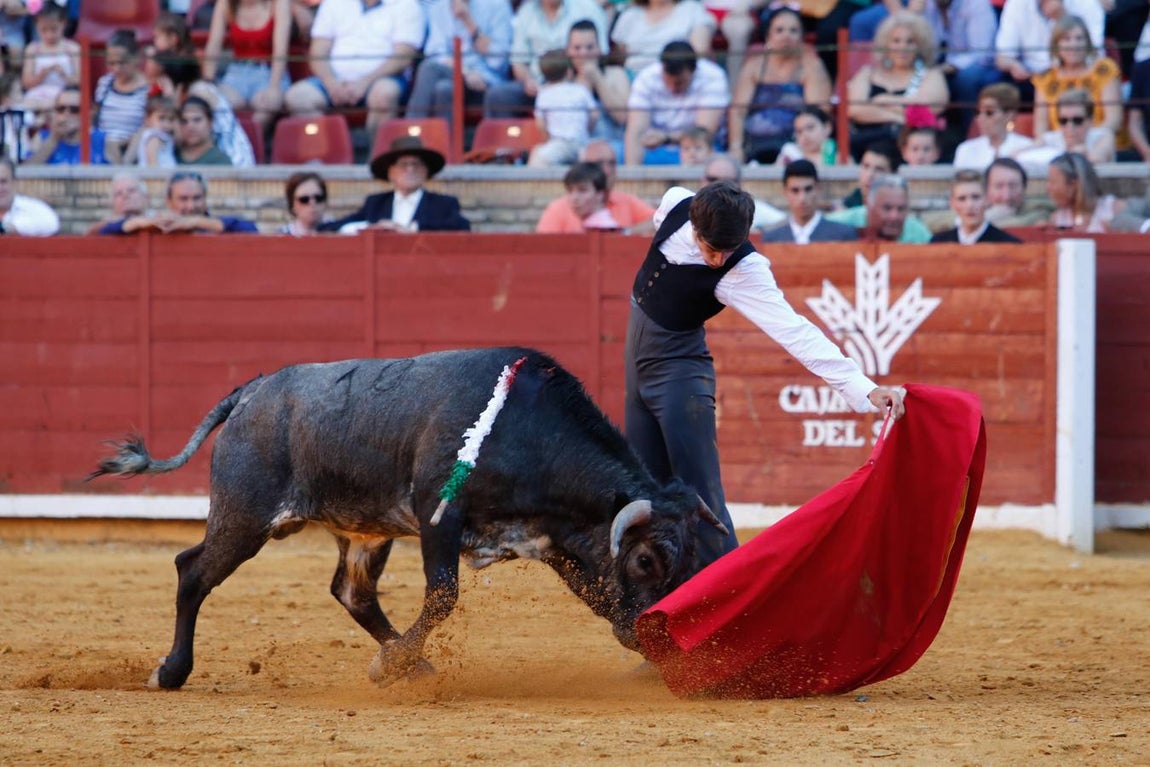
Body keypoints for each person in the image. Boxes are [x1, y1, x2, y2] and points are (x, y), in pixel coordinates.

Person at [624, 179, 906, 567]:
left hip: (679, 377)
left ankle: (729, 597)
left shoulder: (745, 270)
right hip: (637, 372)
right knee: (643, 486)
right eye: (712, 249)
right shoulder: (675, 202)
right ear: (694, 224)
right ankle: (657, 594)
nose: (719, 260)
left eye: (728, 249)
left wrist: (863, 387)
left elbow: (795, 332)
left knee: (699, 494)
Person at [283, 0, 425, 138]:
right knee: (298, 97)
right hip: (334, 80)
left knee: (385, 94)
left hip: (382, 78)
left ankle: (377, 158)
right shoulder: (333, 3)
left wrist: (364, 83)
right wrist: (332, 84)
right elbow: (318, 52)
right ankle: (324, 156)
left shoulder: (406, 5)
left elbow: (403, 57)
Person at [728, 6, 832, 165]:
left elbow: (817, 113)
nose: (786, 36)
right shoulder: (754, 66)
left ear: (802, 37)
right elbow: (737, 112)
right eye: (779, 30)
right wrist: (736, 148)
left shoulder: (812, 66)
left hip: (795, 145)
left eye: (793, 31)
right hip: (753, 145)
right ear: (768, 36)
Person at [846, 11, 949, 162]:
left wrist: (881, 100)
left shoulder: (930, 75)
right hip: (864, 144)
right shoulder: (867, 73)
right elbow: (854, 109)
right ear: (886, 44)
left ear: (920, 45)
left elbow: (928, 109)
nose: (903, 47)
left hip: (911, 151)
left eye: (910, 41)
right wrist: (898, 117)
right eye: (896, 41)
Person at [481, 0, 607, 118]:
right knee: (498, 96)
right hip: (537, 87)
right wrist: (528, 80)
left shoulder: (587, 8)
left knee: (577, 97)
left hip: (574, 82)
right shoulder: (526, 12)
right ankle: (506, 141)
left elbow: (601, 54)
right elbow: (518, 61)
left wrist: (569, 82)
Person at [321, 136, 470, 234]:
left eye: (416, 164)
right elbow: (335, 227)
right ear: (391, 172)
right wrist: (371, 228)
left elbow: (462, 227)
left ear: (426, 171)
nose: (410, 170)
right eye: (403, 165)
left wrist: (411, 229)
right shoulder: (376, 203)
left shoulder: (443, 203)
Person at [407, 0, 513, 127]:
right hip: (456, 73)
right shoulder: (438, 8)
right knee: (443, 87)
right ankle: (444, 145)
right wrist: (465, 71)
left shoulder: (497, 5)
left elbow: (499, 61)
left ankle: (411, 132)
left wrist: (468, 20)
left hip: (486, 80)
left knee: (430, 71)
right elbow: (436, 54)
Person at [623, 41, 730, 166]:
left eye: (679, 83)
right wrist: (632, 173)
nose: (672, 88)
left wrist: (666, 138)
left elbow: (702, 134)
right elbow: (636, 131)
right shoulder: (646, 78)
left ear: (693, 70)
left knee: (704, 155)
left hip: (695, 149)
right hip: (655, 150)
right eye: (668, 81)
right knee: (614, 152)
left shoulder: (713, 77)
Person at [202, 0, 293, 134]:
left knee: (267, 106)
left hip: (269, 72)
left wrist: (274, 87)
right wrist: (208, 82)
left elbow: (280, 51)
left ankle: (246, 146)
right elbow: (213, 45)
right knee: (218, 104)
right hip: (237, 72)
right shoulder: (226, 4)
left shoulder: (279, 3)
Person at [994, 0, 1104, 106]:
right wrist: (1014, 66)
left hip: (1075, 75)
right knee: (1000, 86)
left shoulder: (1088, 3)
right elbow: (1003, 56)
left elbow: (1094, 54)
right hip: (1031, 78)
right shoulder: (1016, 3)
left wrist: (1063, 18)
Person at [536, 139, 657, 235]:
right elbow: (542, 250)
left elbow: (660, 221)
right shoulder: (558, 210)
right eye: (599, 164)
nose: (607, 170)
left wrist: (627, 233)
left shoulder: (627, 201)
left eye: (612, 163)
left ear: (599, 195)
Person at [1031, 14, 1122, 140]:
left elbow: (1114, 121)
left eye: (1079, 38)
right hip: (1060, 146)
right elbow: (1040, 127)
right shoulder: (1045, 78)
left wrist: (1084, 140)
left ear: (1087, 42)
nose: (1074, 44)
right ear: (1056, 45)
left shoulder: (1104, 70)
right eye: (1066, 39)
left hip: (1099, 142)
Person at [922, 0, 1003, 136]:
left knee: (966, 78)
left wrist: (951, 66)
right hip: (942, 64)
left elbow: (982, 54)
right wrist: (916, 12)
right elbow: (920, 45)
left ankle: (971, 132)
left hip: (982, 65)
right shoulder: (927, 5)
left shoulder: (976, 4)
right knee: (918, 73)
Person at [99, 169, 258, 235]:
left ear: (205, 197)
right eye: (183, 199)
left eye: (196, 198)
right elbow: (103, 234)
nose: (191, 206)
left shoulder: (213, 225)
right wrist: (137, 223)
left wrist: (196, 222)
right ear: (169, 201)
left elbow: (251, 230)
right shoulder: (160, 225)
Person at [566, 19, 630, 153]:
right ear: (568, 51)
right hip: (577, 149)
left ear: (599, 48)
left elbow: (623, 117)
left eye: (590, 47)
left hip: (615, 147)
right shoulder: (564, 81)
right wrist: (584, 86)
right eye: (577, 48)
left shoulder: (617, 73)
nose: (584, 53)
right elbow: (571, 129)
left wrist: (598, 79)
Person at [527, 49, 598, 167]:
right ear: (569, 72)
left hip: (558, 144)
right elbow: (594, 115)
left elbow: (541, 125)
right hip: (583, 144)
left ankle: (532, 186)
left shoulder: (544, 94)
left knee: (537, 156)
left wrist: (549, 140)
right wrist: (586, 130)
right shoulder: (581, 89)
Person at [762, 159, 858, 243]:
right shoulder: (771, 238)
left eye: (808, 189)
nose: (802, 198)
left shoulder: (843, 235)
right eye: (795, 190)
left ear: (818, 189)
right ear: (785, 192)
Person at [611, 0, 715, 77]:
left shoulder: (693, 9)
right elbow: (618, 60)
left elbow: (699, 55)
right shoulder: (629, 15)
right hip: (634, 80)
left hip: (677, 78)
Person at [92, 29, 149, 164]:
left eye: (122, 63)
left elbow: (147, 125)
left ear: (136, 58)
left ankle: (123, 169)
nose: (116, 69)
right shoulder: (104, 83)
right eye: (111, 63)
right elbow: (95, 117)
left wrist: (121, 143)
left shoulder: (147, 89)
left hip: (131, 149)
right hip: (104, 145)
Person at [1018, 88, 1116, 166]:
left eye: (1077, 120)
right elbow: (1019, 155)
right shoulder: (1051, 138)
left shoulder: (1103, 135)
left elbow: (1098, 158)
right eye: (1063, 121)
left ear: (1090, 121)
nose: (1070, 126)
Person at [952, 82, 1035, 170]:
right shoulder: (966, 150)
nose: (981, 118)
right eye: (978, 112)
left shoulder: (1027, 148)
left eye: (989, 113)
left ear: (1009, 115)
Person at [829, 172, 932, 242]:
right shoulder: (837, 225)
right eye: (887, 208)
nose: (894, 216)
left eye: (901, 209)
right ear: (868, 205)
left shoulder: (919, 233)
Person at [930, 169, 1022, 243]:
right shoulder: (938, 243)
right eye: (962, 199)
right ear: (952, 203)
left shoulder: (1008, 244)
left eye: (976, 197)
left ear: (987, 199)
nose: (970, 205)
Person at [23, 85, 108, 164]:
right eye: (61, 109)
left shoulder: (104, 141)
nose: (66, 114)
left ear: (90, 111)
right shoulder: (42, 138)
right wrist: (54, 138)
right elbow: (26, 173)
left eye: (74, 110)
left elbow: (118, 175)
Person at [19, 3, 78, 115]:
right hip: (38, 95)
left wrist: (64, 75)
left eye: (54, 29)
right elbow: (26, 83)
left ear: (63, 24)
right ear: (37, 26)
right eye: (44, 30)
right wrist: (41, 75)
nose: (49, 35)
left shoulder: (72, 48)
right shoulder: (32, 49)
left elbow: (80, 80)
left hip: (65, 94)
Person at [701, 153, 785, 229]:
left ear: (739, 184)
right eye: (712, 180)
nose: (718, 187)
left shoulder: (752, 210)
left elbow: (784, 222)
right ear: (703, 181)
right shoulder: (691, 208)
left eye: (726, 182)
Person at [535, 161, 620, 232]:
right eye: (570, 191)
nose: (574, 198)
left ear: (600, 194)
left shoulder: (605, 229)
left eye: (582, 190)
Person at [1046, 151, 1118, 232]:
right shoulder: (1057, 220)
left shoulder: (1113, 209)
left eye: (1053, 182)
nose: (1048, 188)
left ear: (1074, 184)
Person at [983, 157, 1055, 228]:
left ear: (1024, 188)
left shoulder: (1040, 210)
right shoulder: (976, 210)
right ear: (986, 190)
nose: (1006, 196)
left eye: (1013, 186)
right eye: (999, 186)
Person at [0, 157, 60, 236]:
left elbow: (52, 223)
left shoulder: (30, 206)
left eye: (3, 182)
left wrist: (7, 228)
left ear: (14, 182)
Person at [839, 138, 901, 209]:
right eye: (866, 166)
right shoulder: (845, 211)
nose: (870, 175)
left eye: (879, 169)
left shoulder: (899, 213)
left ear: (893, 175)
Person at [175, 96, 233, 165]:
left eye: (197, 120)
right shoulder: (170, 155)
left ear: (210, 122)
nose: (190, 127)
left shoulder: (221, 161)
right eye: (184, 121)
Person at [129, 94, 178, 168]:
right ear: (148, 119)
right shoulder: (154, 138)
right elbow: (152, 164)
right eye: (161, 118)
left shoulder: (163, 136)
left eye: (170, 119)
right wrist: (157, 178)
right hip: (157, 177)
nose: (166, 124)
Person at [280, 171, 331, 235]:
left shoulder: (339, 232)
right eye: (304, 199)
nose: (312, 203)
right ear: (292, 204)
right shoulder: (282, 235)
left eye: (318, 198)